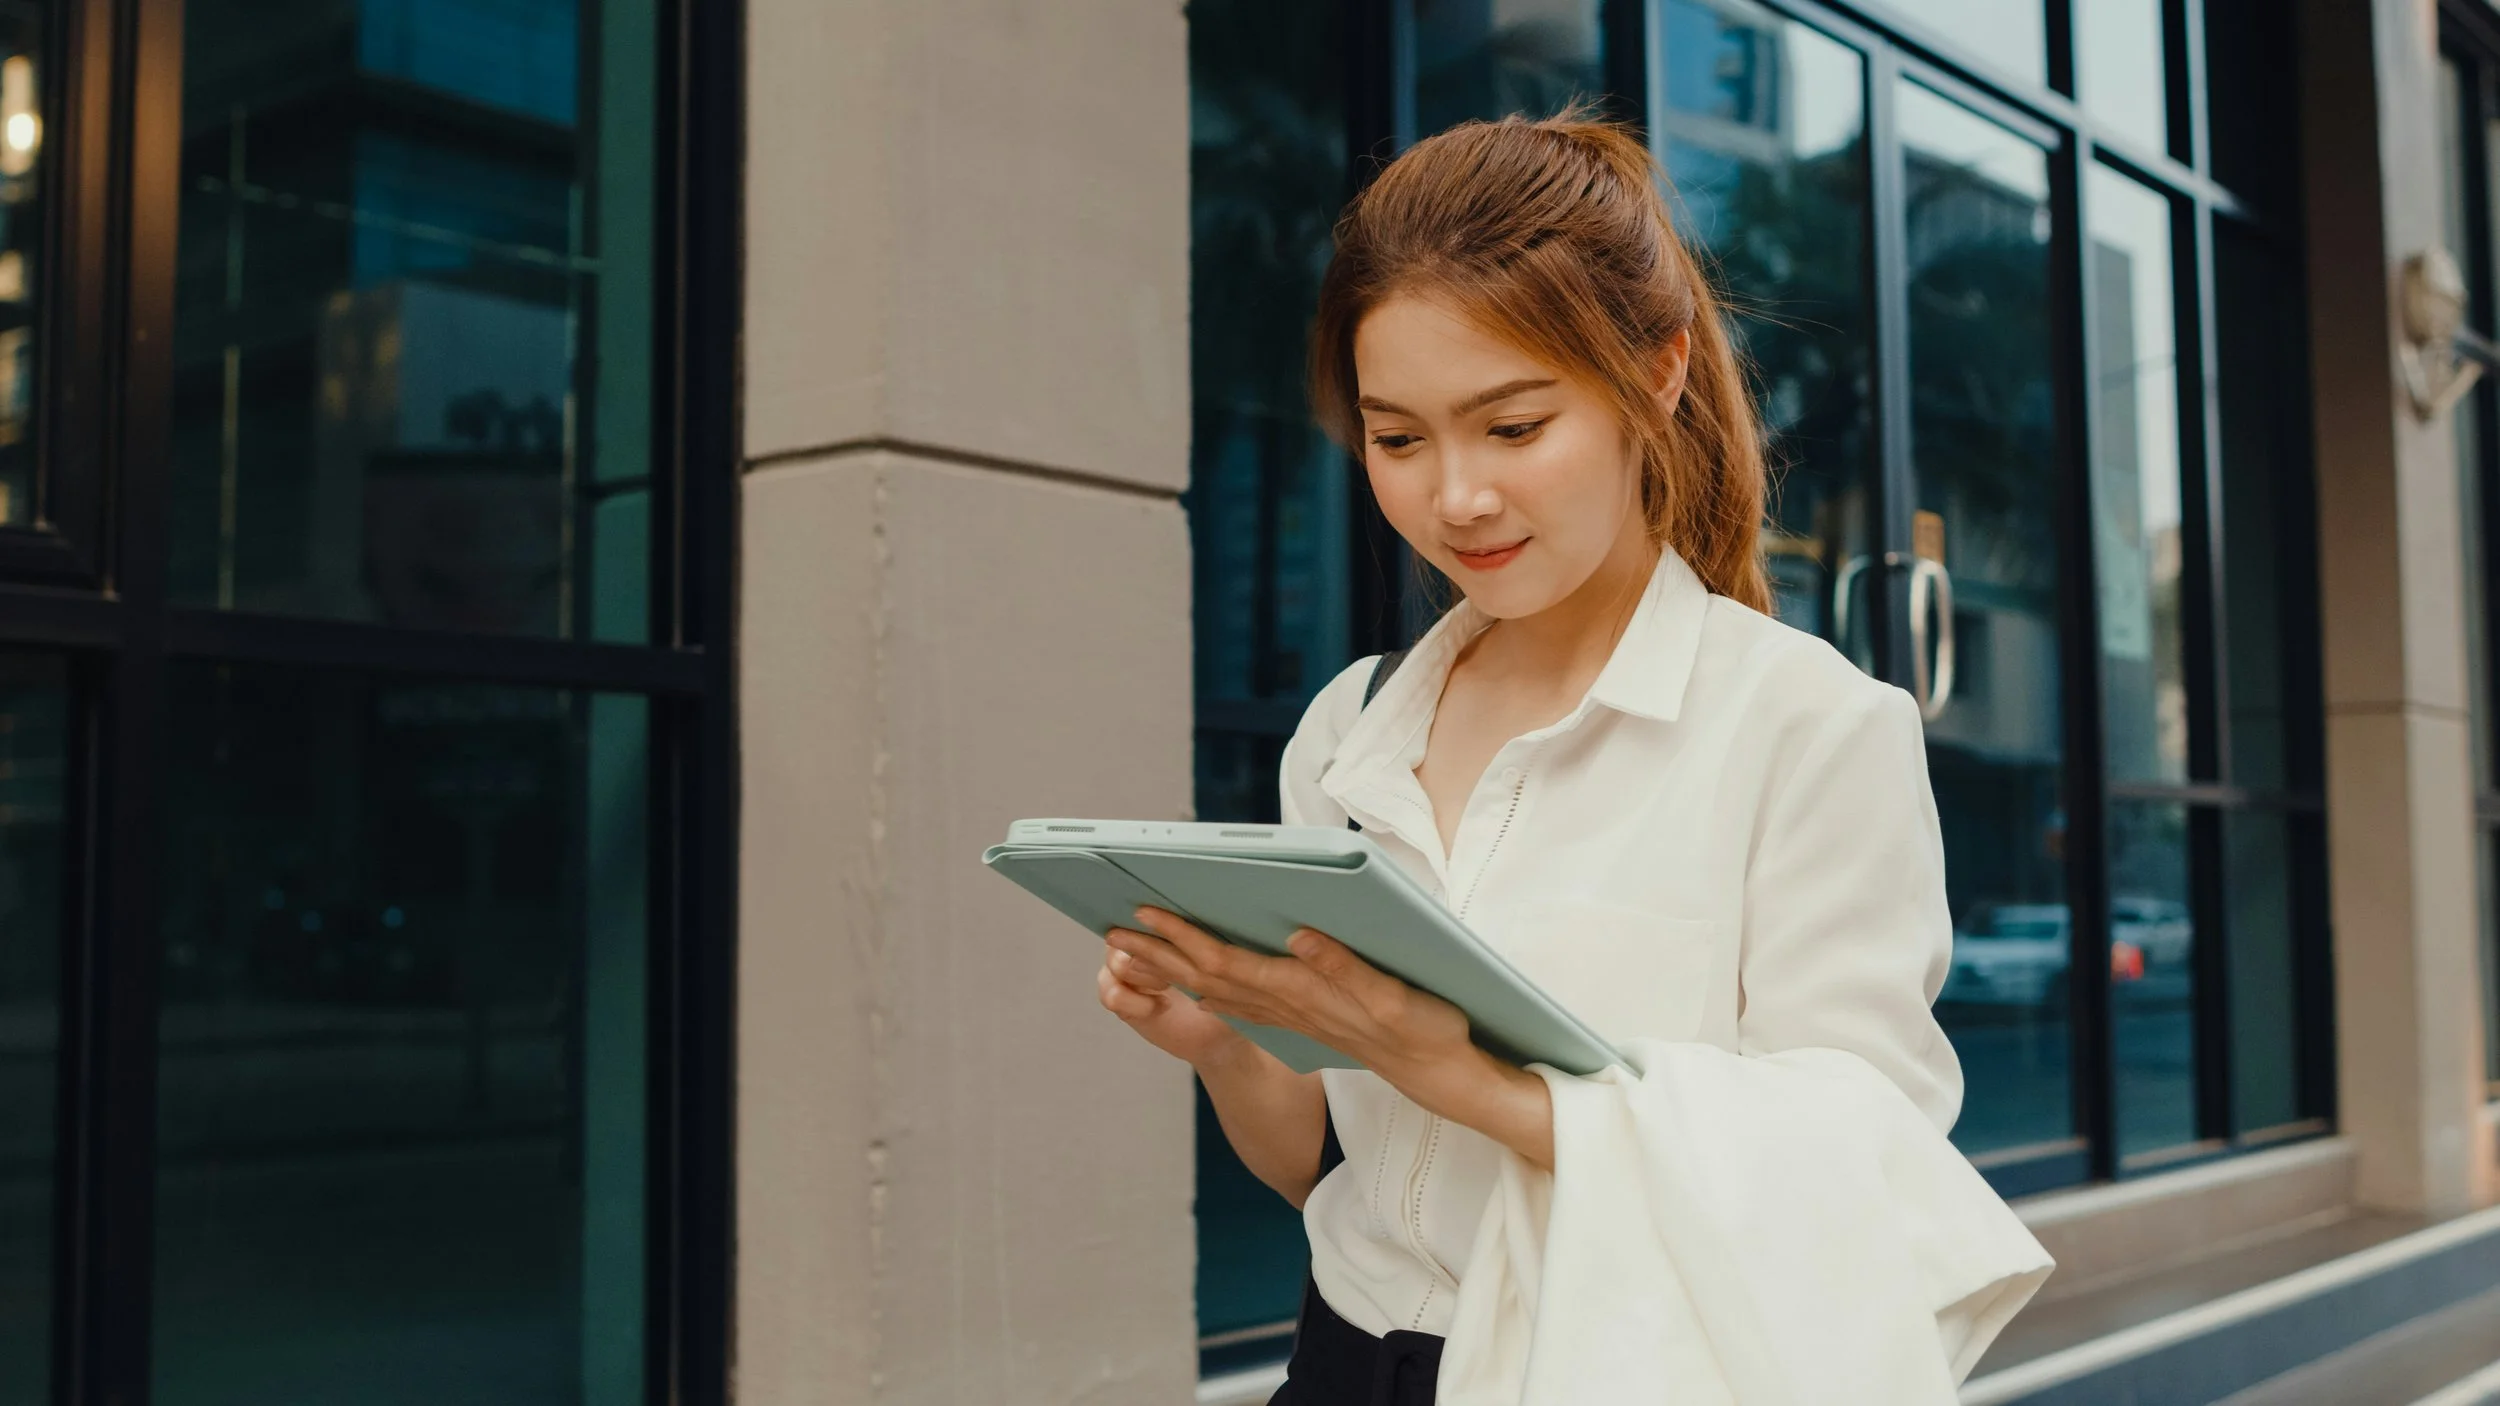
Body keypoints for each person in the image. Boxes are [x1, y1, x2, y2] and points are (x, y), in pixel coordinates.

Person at [1095, 109, 2049, 1405]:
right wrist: (1227, 1039)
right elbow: (1337, 1170)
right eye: (1398, 438)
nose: (1456, 497)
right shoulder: (1349, 732)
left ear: (1653, 377)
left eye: (1512, 425)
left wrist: (1468, 1076)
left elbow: (1858, 1166)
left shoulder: (1805, 727)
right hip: (1335, 1365)